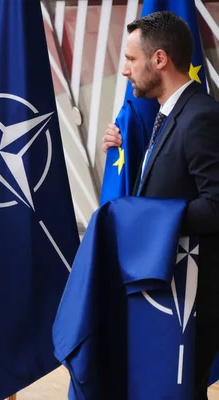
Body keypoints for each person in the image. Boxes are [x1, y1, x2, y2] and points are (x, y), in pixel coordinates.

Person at [102, 11, 219, 399]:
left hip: (193, 301)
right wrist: (125, 150)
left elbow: (216, 205)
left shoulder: (200, 116)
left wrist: (151, 219)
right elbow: (168, 182)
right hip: (169, 292)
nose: (125, 72)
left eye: (131, 60)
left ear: (160, 60)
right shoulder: (168, 116)